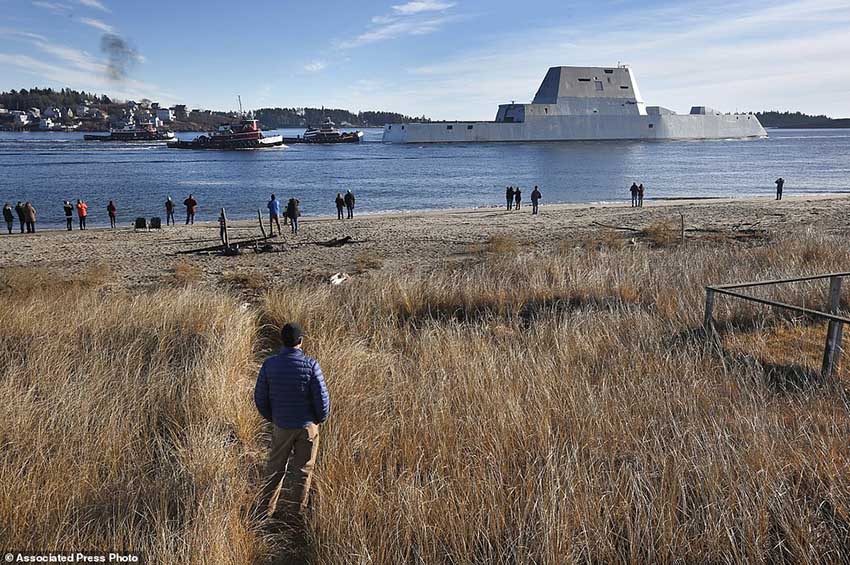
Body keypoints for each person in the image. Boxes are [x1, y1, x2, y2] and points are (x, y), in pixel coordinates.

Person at [254, 322, 329, 518]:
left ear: (282, 341)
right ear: (301, 342)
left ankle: (265, 511)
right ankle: (296, 513)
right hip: (307, 427)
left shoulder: (269, 365)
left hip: (282, 426)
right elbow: (322, 398)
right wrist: (318, 419)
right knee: (303, 471)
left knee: (275, 467)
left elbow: (260, 398)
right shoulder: (311, 365)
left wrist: (274, 418)